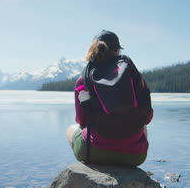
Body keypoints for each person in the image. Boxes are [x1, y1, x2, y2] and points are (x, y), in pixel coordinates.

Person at [66, 30, 153, 167]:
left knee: (71, 129)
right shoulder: (134, 77)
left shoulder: (84, 80)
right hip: (135, 156)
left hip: (94, 152)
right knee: (143, 128)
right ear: (118, 51)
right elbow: (147, 118)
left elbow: (81, 120)